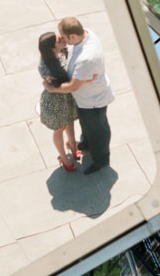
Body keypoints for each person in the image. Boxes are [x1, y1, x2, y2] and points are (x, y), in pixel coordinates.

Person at [42, 17, 115, 175]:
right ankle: (86, 144)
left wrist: (52, 89)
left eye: (64, 37)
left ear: (73, 36)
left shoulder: (86, 59)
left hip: (92, 100)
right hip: (83, 98)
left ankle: (101, 160)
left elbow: (73, 86)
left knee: (98, 130)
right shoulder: (86, 33)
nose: (62, 40)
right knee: (87, 125)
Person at [38, 31, 80, 172]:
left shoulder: (60, 53)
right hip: (56, 101)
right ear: (52, 48)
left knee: (70, 121)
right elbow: (53, 85)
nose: (62, 39)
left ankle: (72, 145)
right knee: (59, 129)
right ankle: (63, 157)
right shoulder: (46, 66)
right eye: (58, 40)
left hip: (66, 97)